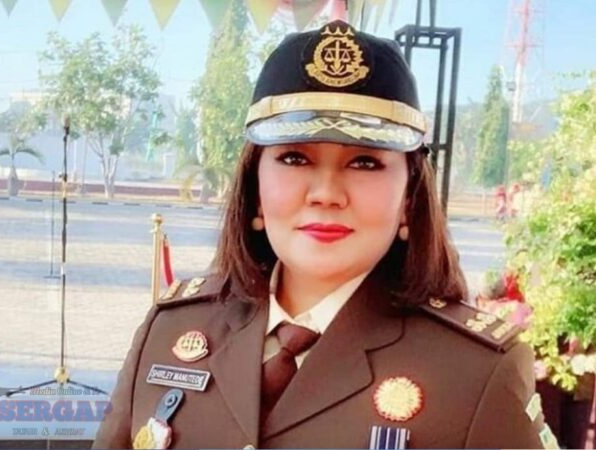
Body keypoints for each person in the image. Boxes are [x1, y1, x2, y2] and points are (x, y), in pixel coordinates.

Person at [93, 20, 554, 449]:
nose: (326, 193)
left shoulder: (475, 371)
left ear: (409, 199)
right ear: (255, 189)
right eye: (295, 158)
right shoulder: (170, 329)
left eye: (365, 162)